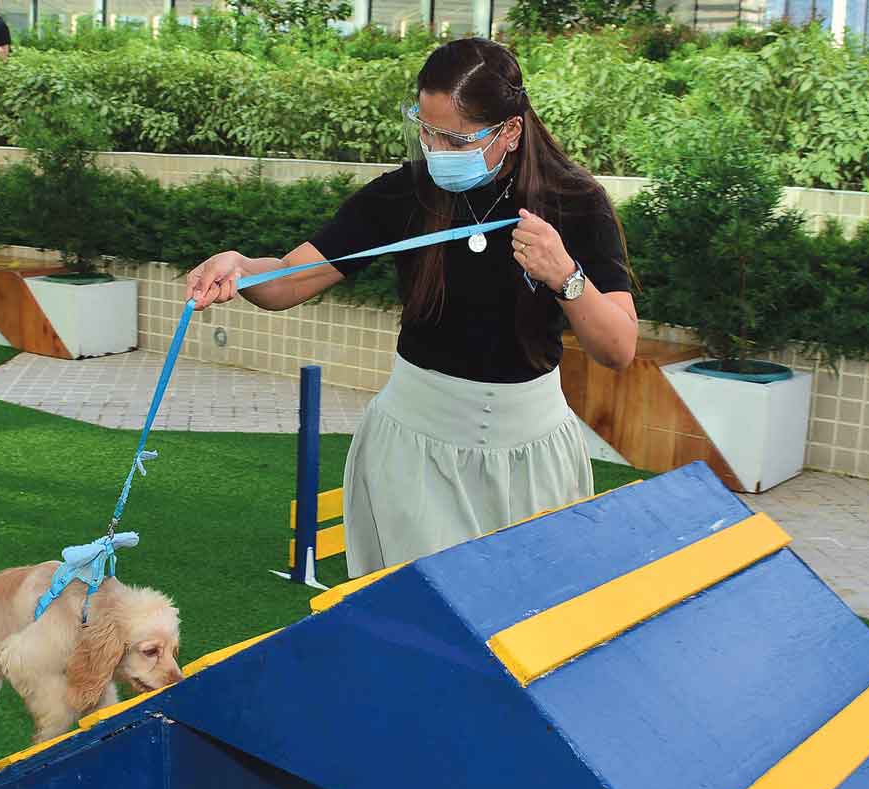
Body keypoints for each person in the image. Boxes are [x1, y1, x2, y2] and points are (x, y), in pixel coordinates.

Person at [185, 38, 639, 579]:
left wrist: (565, 276)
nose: (435, 147)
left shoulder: (576, 202)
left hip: (533, 455)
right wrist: (239, 266)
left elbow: (619, 348)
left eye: (455, 137)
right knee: (418, 629)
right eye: (426, 129)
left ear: (511, 131)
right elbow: (289, 279)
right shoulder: (401, 196)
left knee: (524, 627)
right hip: (413, 454)